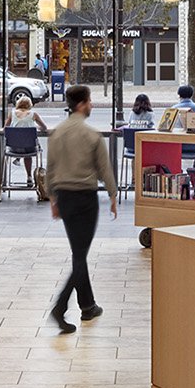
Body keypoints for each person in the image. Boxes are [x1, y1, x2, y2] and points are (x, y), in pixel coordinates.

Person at [45, 84, 118, 334]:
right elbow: (104, 169)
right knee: (80, 253)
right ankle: (60, 305)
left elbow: (50, 169)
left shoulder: (57, 133)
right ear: (82, 104)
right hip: (85, 197)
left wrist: (53, 199)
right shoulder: (91, 135)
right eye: (90, 101)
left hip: (64, 197)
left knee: (78, 252)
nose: (92, 105)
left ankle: (87, 306)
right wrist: (113, 194)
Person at [5, 94, 48, 185]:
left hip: (14, 147)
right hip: (30, 147)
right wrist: (35, 127)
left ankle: (17, 161)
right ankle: (29, 176)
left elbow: (6, 127)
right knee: (27, 151)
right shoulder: (33, 114)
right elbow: (44, 127)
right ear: (30, 105)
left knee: (22, 146)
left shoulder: (12, 113)